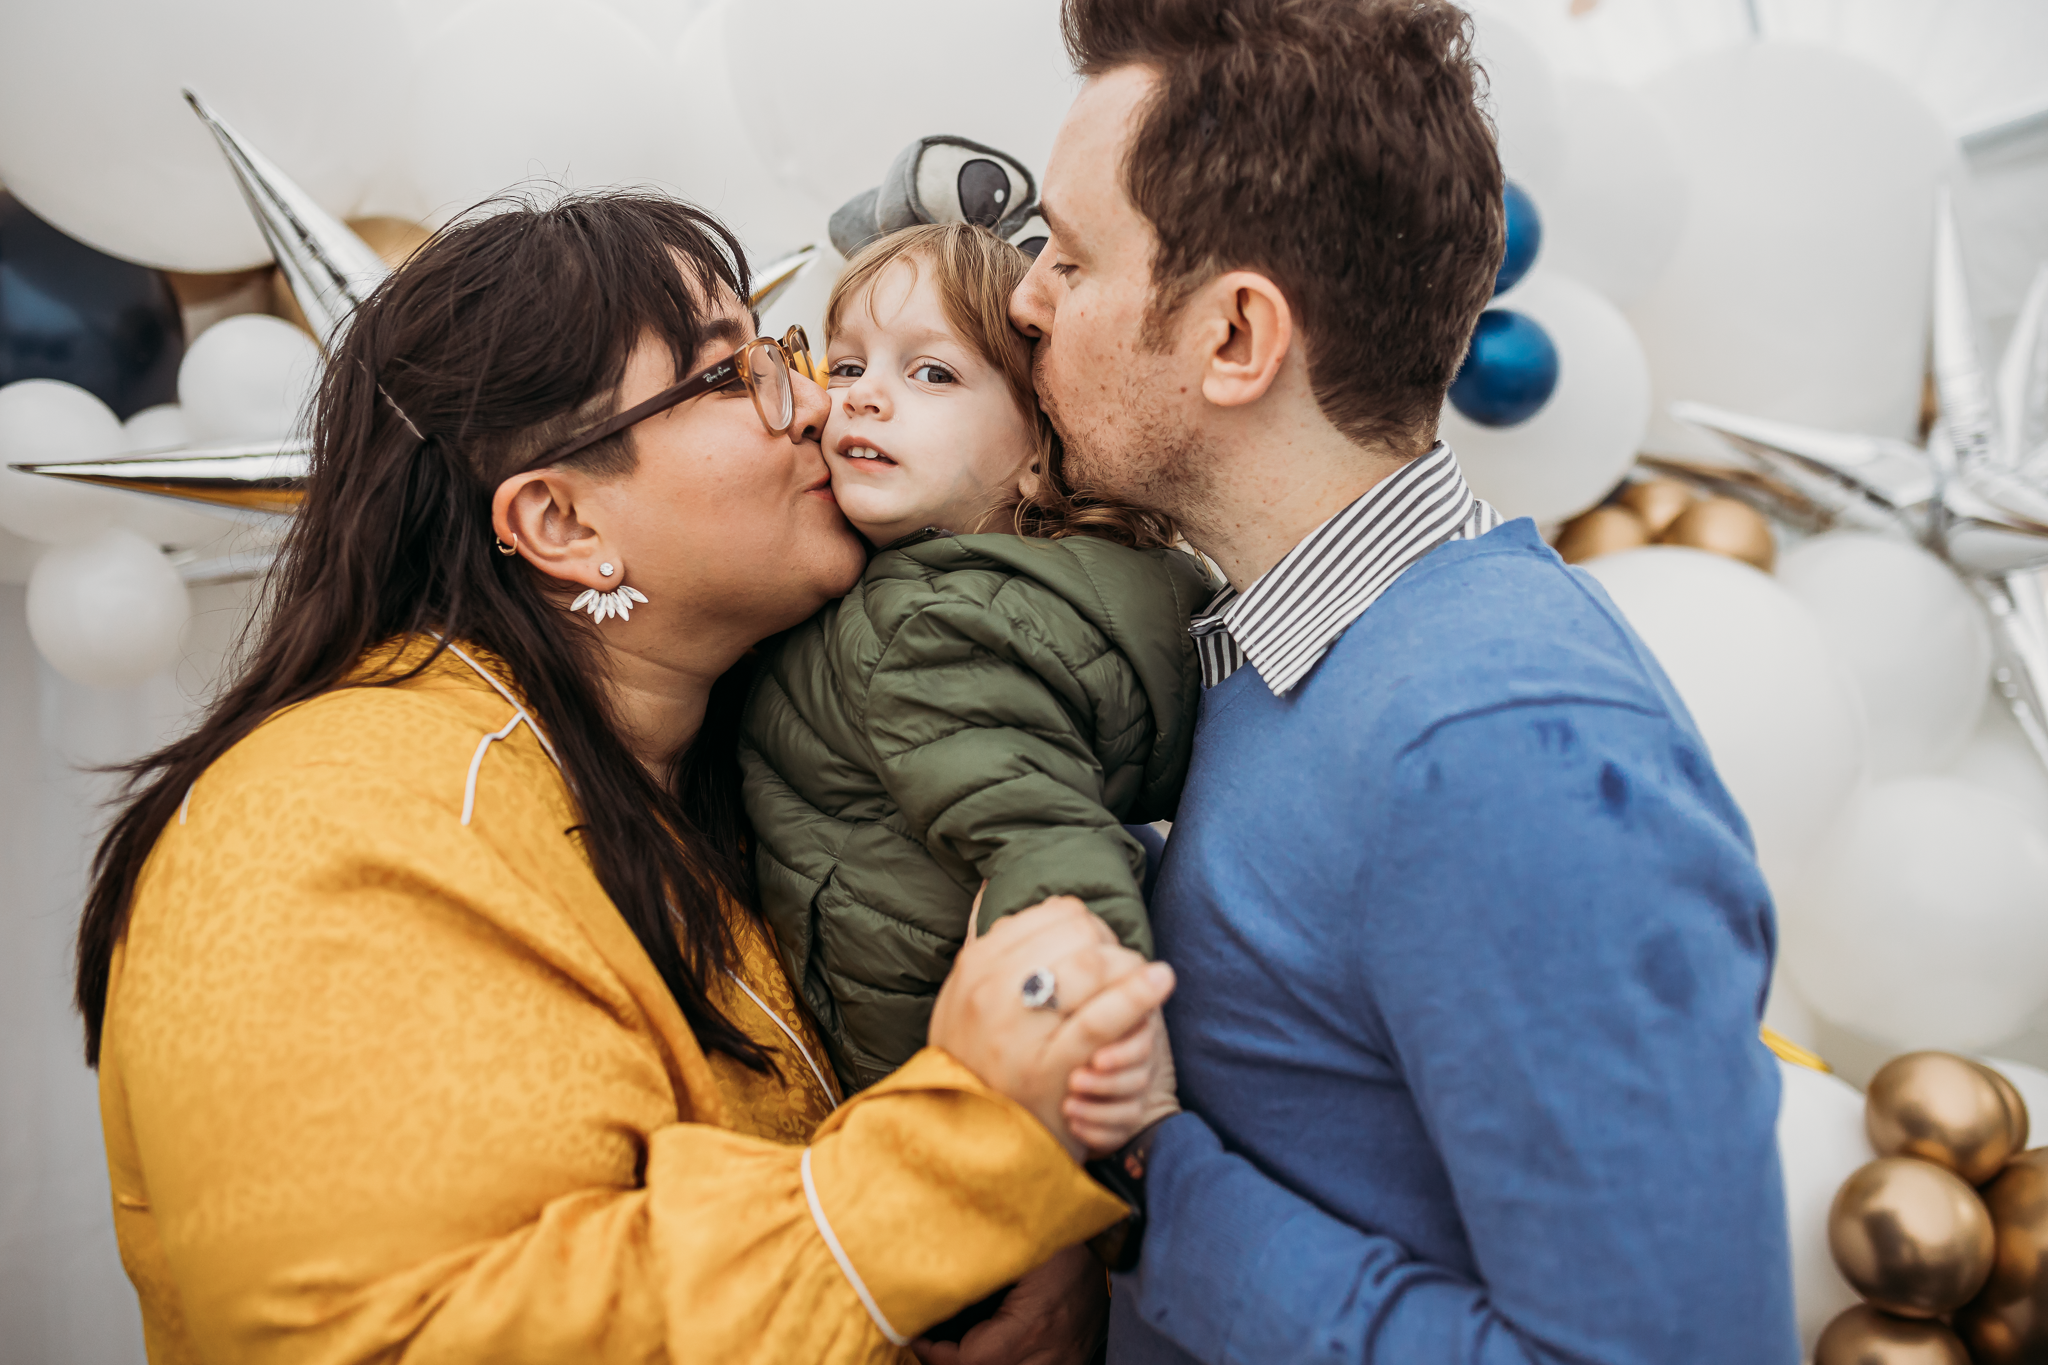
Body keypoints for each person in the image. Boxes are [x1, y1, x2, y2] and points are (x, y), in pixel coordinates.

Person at [76, 191, 1175, 1364]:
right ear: (561, 522)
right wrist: (960, 1168)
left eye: (781, 353)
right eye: (733, 374)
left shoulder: (745, 757)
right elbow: (395, 1338)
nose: (817, 400)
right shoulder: (326, 822)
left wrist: (1021, 1242)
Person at [1011, 1, 1800, 1361]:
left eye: (1071, 260)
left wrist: (1148, 1194)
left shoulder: (1501, 748)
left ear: (1235, 337)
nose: (1026, 296)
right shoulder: (1288, 656)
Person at [741, 222, 1211, 1100]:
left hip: (957, 1089)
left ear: (1039, 452)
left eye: (932, 373)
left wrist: (1085, 1036)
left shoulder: (933, 628)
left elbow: (1048, 846)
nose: (863, 398)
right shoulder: (1007, 597)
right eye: (847, 365)